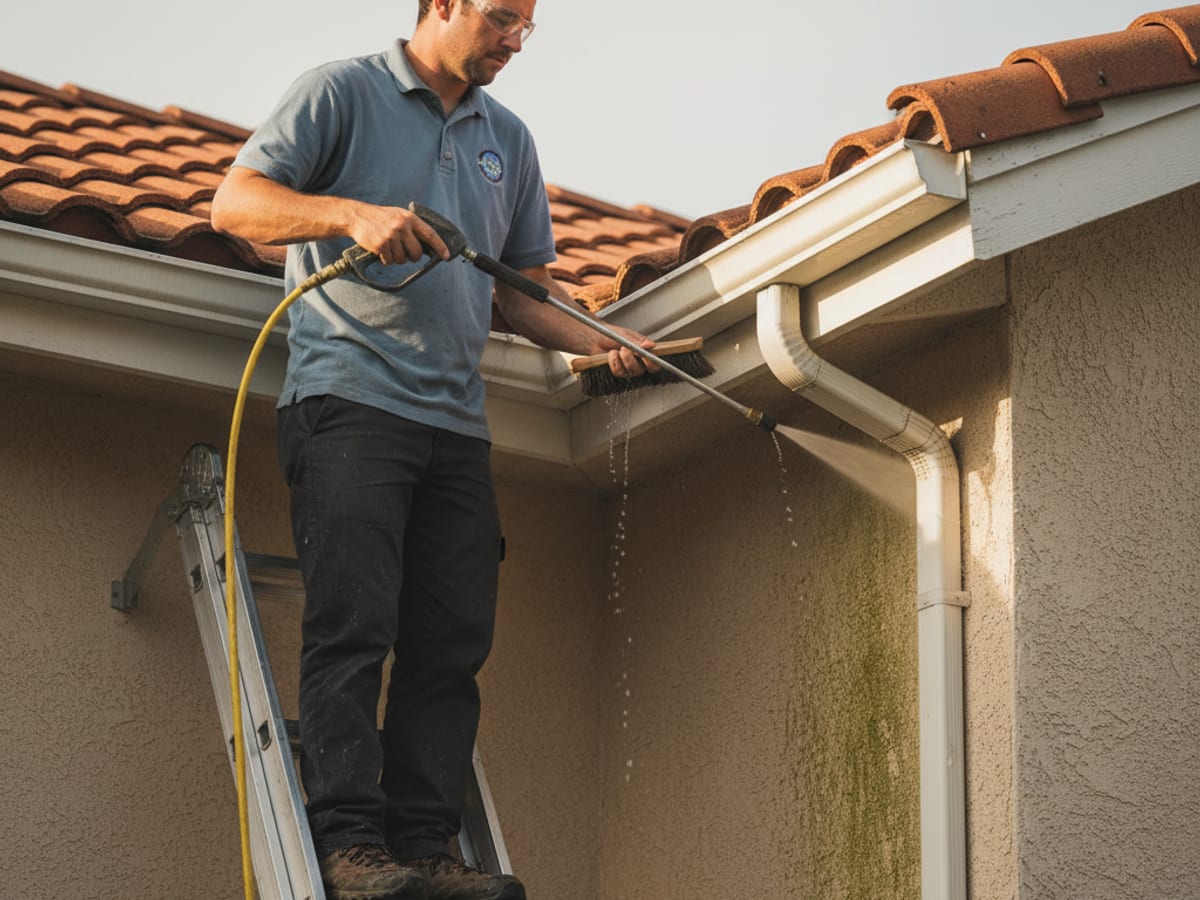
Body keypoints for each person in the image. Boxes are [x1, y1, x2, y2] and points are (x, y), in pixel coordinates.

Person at [211, 1, 655, 898]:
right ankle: (346, 843)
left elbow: (520, 294)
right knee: (356, 626)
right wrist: (352, 217)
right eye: (501, 17)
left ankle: (423, 850)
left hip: (456, 426)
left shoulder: (510, 141)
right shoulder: (340, 93)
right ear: (441, 4)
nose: (516, 39)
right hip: (350, 404)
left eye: (528, 25)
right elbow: (233, 204)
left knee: (450, 642)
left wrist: (597, 342)